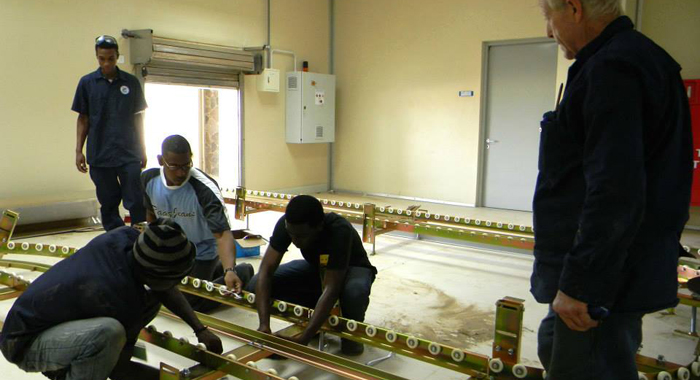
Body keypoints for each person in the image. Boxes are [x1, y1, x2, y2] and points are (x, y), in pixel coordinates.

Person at [532, 1, 693, 379]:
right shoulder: (643, 59)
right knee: (555, 343)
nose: (548, 31)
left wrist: (580, 285)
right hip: (619, 269)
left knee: (585, 364)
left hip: (602, 281)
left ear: (574, 8)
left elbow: (614, 190)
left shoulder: (612, 69)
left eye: (548, 17)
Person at [0, 218, 223, 380]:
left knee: (150, 302)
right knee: (108, 334)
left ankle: (62, 367)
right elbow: (119, 371)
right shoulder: (121, 299)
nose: (176, 284)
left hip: (35, 321)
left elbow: (163, 286)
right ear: (154, 276)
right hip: (23, 343)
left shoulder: (128, 238)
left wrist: (199, 328)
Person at [246, 195, 377, 355]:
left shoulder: (339, 230)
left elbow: (331, 288)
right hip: (318, 268)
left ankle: (352, 338)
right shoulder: (287, 223)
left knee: (353, 291)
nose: (294, 240)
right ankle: (314, 319)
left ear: (319, 227)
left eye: (301, 236)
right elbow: (266, 271)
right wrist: (263, 326)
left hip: (352, 269)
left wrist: (304, 339)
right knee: (255, 285)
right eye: (291, 234)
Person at [141, 135, 253, 311]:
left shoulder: (204, 190)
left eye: (186, 165)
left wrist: (230, 269)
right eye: (175, 166)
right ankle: (216, 271)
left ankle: (241, 271)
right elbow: (150, 213)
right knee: (153, 288)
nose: (181, 172)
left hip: (202, 250)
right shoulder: (149, 180)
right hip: (174, 248)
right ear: (161, 160)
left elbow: (222, 234)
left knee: (189, 303)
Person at [72, 35, 148, 231]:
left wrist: (143, 148)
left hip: (129, 152)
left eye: (111, 58)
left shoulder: (131, 83)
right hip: (100, 154)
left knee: (136, 200)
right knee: (108, 202)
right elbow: (83, 118)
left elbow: (137, 118)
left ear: (117, 57)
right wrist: (78, 150)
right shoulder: (87, 83)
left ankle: (140, 241)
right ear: (97, 57)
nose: (106, 63)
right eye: (102, 58)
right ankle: (115, 241)